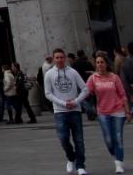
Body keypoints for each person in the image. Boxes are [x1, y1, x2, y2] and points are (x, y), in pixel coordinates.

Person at [44, 47, 89, 175]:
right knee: (63, 138)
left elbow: (85, 89)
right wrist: (63, 103)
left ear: (65, 58)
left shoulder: (73, 72)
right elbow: (48, 93)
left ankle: (80, 165)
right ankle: (71, 157)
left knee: (79, 140)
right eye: (57, 58)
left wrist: (76, 101)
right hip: (59, 111)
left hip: (75, 110)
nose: (59, 60)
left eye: (61, 57)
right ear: (53, 59)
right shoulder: (49, 74)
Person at [87, 51, 131, 173]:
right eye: (97, 62)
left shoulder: (114, 77)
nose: (99, 64)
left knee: (118, 137)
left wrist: (127, 111)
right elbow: (86, 92)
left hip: (118, 111)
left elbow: (123, 95)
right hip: (103, 112)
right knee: (108, 139)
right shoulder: (93, 78)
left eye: (102, 62)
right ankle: (115, 154)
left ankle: (119, 162)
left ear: (106, 64)